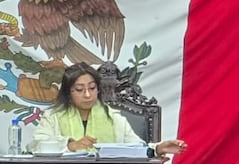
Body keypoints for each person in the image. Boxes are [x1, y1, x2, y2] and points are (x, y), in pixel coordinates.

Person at [33, 63, 187, 157]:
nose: (87, 94)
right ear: (68, 92)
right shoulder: (52, 117)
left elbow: (135, 149)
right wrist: (70, 146)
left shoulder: (114, 118)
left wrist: (158, 149)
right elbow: (36, 145)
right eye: (79, 90)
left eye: (92, 88)